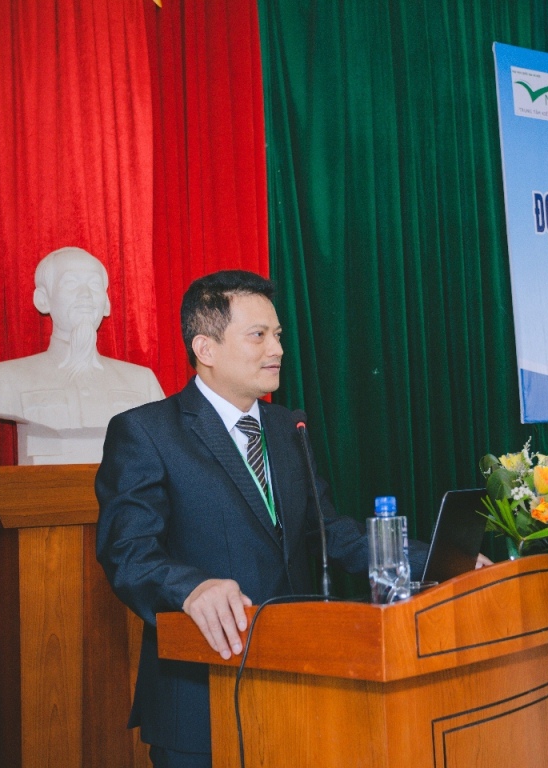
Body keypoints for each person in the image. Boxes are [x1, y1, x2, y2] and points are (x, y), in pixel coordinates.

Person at [94, 270, 428, 767]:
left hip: (298, 681)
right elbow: (127, 552)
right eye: (258, 335)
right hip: (201, 699)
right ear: (205, 348)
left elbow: (329, 531)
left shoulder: (287, 426)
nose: (277, 349)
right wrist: (191, 588)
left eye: (278, 335)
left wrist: (437, 558)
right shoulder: (147, 432)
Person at [0, 246, 164, 464]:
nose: (85, 295)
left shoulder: (143, 382)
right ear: (42, 300)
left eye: (94, 285)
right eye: (71, 284)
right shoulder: (6, 378)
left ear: (106, 304)